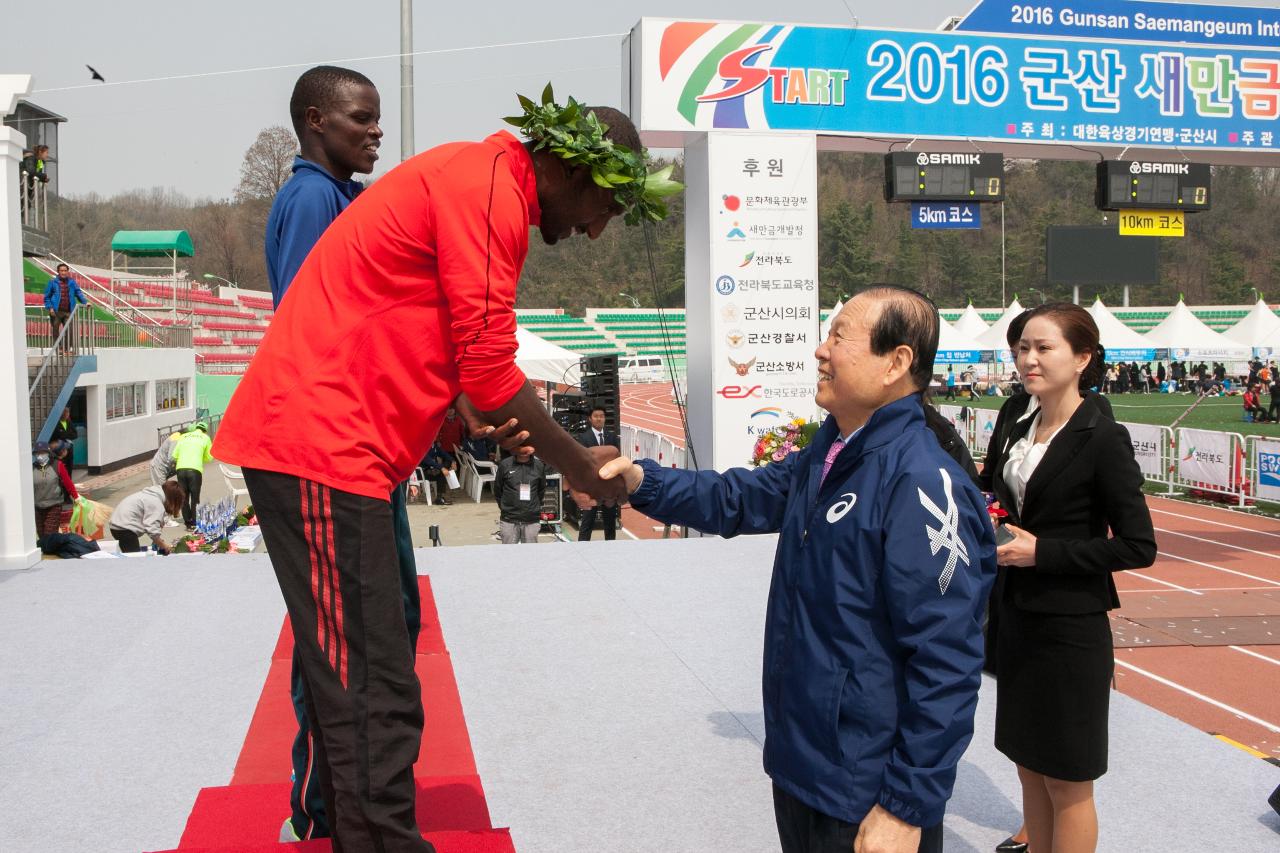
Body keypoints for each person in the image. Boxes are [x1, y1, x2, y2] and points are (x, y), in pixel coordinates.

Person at [212, 88, 668, 852]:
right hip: (323, 446)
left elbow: (454, 356)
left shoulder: (483, 177)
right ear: (567, 166)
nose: (594, 231)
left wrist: (468, 412)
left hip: (341, 447)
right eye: (605, 208)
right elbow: (490, 368)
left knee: (371, 678)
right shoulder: (489, 186)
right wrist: (577, 465)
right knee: (369, 685)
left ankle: (370, 832)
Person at [600, 286, 996, 853]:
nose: (819, 351)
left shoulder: (920, 481)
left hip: (863, 788)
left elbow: (947, 660)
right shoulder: (833, 450)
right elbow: (740, 497)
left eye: (838, 337)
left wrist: (906, 808)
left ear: (896, 362)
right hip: (804, 764)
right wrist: (644, 482)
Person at [979, 303, 1155, 853]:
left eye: (1043, 348)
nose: (1028, 359)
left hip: (1070, 629)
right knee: (1028, 766)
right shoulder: (1013, 418)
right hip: (1014, 616)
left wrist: (1044, 553)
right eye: (1022, 348)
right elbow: (991, 489)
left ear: (1082, 358)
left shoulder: (1103, 436)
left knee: (1068, 779)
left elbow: (1138, 546)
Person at [265, 65, 381, 311]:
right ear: (316, 120)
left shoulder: (339, 193)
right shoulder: (313, 193)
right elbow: (302, 312)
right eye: (361, 119)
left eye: (377, 120)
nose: (377, 130)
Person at [576, 406, 620, 541]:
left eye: (602, 416)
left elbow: (616, 458)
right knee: (587, 521)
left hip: (609, 486)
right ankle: (582, 547)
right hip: (591, 487)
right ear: (590, 419)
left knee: (610, 522)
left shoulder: (612, 437)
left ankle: (610, 550)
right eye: (596, 416)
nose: (599, 419)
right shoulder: (583, 438)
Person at [108, 481, 185, 554]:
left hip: (117, 525)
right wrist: (164, 546)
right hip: (124, 528)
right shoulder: (155, 502)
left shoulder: (151, 494)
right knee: (134, 558)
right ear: (173, 498)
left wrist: (158, 540)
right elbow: (152, 529)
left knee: (130, 554)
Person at [496, 447, 547, 543]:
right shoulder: (505, 464)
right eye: (521, 446)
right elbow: (498, 490)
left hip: (531, 518)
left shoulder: (539, 466)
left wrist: (533, 507)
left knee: (530, 554)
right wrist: (506, 507)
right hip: (509, 518)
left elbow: (541, 490)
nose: (524, 450)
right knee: (508, 553)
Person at [173, 422, 212, 529]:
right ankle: (195, 522)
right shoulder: (205, 437)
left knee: (183, 497)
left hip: (181, 469)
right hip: (195, 470)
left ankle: (188, 523)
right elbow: (209, 457)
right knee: (195, 498)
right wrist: (200, 458)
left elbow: (175, 455)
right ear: (204, 430)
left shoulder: (184, 436)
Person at [42, 263, 87, 350]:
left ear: (67, 271)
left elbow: (78, 293)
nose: (63, 272)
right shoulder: (52, 282)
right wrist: (50, 307)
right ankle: (59, 348)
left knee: (70, 330)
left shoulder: (72, 282)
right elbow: (47, 297)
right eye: (61, 271)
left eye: (65, 270)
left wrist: (85, 302)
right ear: (58, 271)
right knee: (55, 330)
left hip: (68, 311)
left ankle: (66, 349)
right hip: (56, 311)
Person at [32, 442, 64, 537]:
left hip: (53, 505)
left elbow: (68, 483)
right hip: (38, 506)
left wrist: (76, 497)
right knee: (41, 534)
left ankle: (52, 548)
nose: (40, 456)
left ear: (48, 453)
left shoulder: (57, 465)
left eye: (42, 453)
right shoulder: (32, 468)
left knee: (49, 534)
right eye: (37, 453)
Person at [421, 441, 457, 506]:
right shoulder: (423, 445)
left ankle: (439, 498)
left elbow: (444, 453)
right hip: (423, 471)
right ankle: (439, 498)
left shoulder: (434, 445)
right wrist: (442, 468)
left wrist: (452, 461)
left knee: (447, 463)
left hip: (433, 469)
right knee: (441, 474)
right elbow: (428, 460)